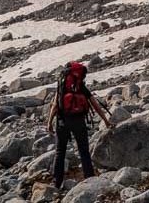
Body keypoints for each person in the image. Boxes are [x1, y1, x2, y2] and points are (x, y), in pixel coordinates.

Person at [46, 61, 112, 189]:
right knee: (84, 151)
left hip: (63, 121)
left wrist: (49, 122)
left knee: (60, 152)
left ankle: (57, 182)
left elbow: (55, 105)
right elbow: (94, 103)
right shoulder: (80, 85)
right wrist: (105, 120)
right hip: (79, 121)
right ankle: (90, 179)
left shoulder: (62, 84)